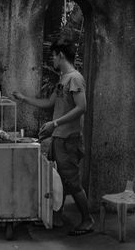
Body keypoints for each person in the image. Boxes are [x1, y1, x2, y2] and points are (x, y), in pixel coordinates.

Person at [13, 39, 94, 236]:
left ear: (60, 55)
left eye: (53, 56)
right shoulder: (63, 79)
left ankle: (87, 220)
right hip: (59, 138)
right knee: (62, 180)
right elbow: (50, 103)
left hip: (68, 138)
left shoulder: (75, 78)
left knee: (73, 182)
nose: (52, 59)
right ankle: (56, 217)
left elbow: (81, 108)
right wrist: (24, 99)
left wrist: (55, 124)